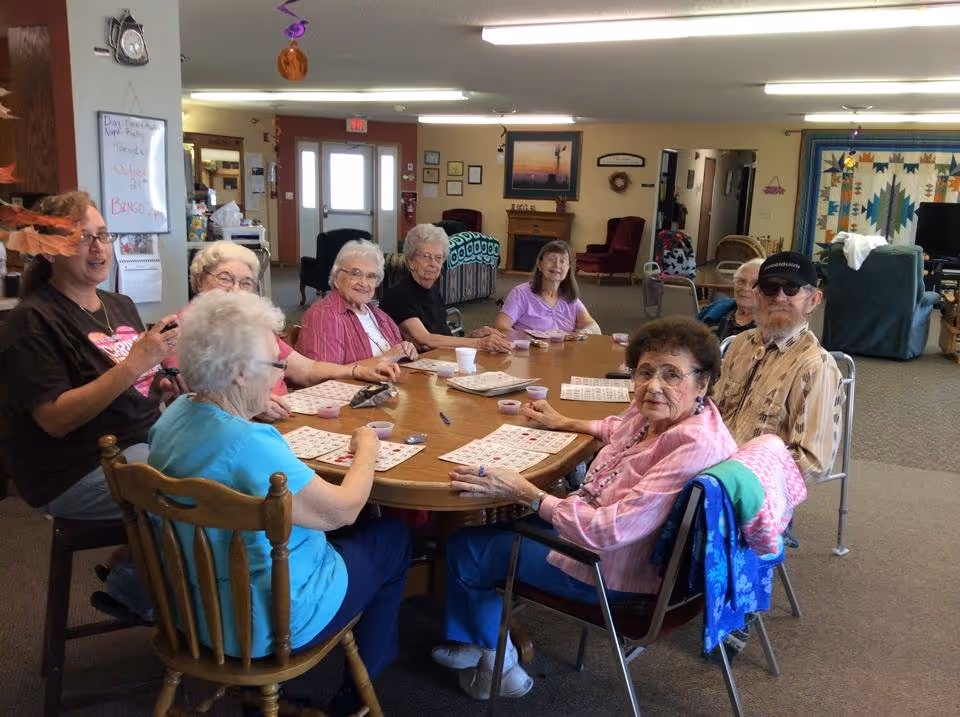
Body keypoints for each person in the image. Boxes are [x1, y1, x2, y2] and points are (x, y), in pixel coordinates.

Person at [432, 316, 737, 700]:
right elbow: (619, 428)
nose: (653, 386)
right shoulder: (671, 416)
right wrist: (565, 421)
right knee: (498, 526)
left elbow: (607, 532)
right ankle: (477, 635)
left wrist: (528, 493)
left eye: (671, 375)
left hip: (608, 569)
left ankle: (497, 663)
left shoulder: (692, 445)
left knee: (467, 548)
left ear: (703, 382)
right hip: (601, 537)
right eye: (644, 372)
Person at [149, 290, 410, 716]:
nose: (277, 377)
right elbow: (342, 509)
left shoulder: (173, 416)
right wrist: (367, 448)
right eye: (273, 366)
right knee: (393, 536)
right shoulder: (249, 443)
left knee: (345, 530)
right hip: (266, 624)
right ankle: (357, 694)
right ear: (236, 372)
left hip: (189, 612)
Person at [0, 190, 183, 519]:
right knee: (194, 497)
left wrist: (157, 386)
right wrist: (134, 365)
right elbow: (56, 420)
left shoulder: (120, 304)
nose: (98, 247)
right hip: (71, 469)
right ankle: (135, 571)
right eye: (82, 238)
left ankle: (132, 568)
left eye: (102, 235)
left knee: (223, 464)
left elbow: (132, 387)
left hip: (139, 442)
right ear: (49, 252)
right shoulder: (31, 321)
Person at [170, 241, 400, 422]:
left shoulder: (253, 324)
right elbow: (198, 395)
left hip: (285, 415)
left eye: (246, 283)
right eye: (225, 278)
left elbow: (306, 369)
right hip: (242, 427)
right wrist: (255, 402)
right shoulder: (183, 328)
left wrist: (357, 371)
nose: (235, 289)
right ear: (200, 281)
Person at [712, 251, 843, 483]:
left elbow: (812, 462)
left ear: (813, 300)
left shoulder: (815, 366)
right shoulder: (741, 344)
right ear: (757, 295)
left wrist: (732, 475)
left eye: (792, 289)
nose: (779, 297)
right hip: (708, 465)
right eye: (770, 288)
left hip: (753, 488)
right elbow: (714, 410)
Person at [380, 224, 512, 352]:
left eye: (438, 258)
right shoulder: (399, 296)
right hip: (413, 368)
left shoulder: (432, 289)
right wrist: (478, 343)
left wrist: (473, 336)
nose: (433, 264)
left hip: (439, 361)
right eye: (426, 256)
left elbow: (441, 338)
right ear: (410, 261)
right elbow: (426, 340)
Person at [296, 239, 418, 365]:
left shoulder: (380, 316)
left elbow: (397, 356)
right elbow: (324, 376)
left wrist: (405, 350)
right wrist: (386, 359)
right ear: (337, 277)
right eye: (355, 274)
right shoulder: (323, 316)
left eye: (371, 276)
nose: (363, 283)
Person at [493, 240, 601, 335]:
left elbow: (594, 328)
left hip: (564, 356)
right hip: (529, 354)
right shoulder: (521, 293)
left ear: (568, 268)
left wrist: (583, 333)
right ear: (540, 264)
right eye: (551, 259)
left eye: (563, 261)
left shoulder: (570, 298)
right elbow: (501, 327)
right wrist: (529, 341)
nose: (557, 265)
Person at [697, 258, 763, 340]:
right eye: (741, 281)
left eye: (755, 284)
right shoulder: (717, 309)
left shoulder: (769, 325)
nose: (746, 288)